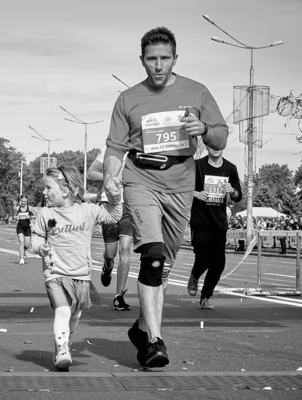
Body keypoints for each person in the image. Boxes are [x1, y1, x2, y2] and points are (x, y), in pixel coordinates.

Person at [102, 27, 228, 368]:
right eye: (151, 59)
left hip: (181, 183)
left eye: (165, 58)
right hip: (140, 178)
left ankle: (142, 328)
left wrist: (204, 129)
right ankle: (155, 343)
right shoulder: (128, 99)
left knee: (165, 266)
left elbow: (221, 137)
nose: (158, 66)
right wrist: (112, 180)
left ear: (175, 59)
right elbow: (114, 147)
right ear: (142, 60)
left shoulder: (197, 92)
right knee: (153, 256)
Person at [31, 165, 122, 371]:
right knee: (62, 311)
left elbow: (113, 216)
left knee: (75, 315)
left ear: (65, 190)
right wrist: (40, 247)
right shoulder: (45, 214)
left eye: (48, 187)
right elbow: (36, 237)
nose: (44, 192)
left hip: (81, 273)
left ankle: (63, 343)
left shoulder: (87, 210)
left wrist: (116, 196)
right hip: (55, 273)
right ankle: (63, 350)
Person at [186, 148, 242, 310]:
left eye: (218, 146)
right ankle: (195, 275)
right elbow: (182, 188)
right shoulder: (197, 166)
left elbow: (238, 196)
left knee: (218, 263)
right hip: (200, 222)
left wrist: (232, 191)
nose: (215, 149)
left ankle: (206, 297)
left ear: (223, 147)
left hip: (219, 224)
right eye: (212, 145)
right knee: (204, 257)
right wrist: (195, 194)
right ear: (207, 146)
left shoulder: (230, 168)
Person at [87, 146, 133, 311]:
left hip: (129, 205)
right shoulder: (108, 150)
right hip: (109, 204)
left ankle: (118, 296)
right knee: (110, 254)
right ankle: (107, 265)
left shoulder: (138, 150)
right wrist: (109, 177)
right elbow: (90, 173)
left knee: (126, 248)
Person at [14, 195, 34, 265]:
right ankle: (21, 259)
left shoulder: (30, 208)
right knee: (21, 242)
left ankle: (25, 250)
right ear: (20, 201)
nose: (23, 203)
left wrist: (30, 216)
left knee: (27, 244)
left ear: (27, 201)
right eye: (22, 201)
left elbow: (36, 215)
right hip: (20, 227)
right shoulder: (17, 208)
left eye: (24, 201)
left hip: (27, 227)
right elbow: (14, 216)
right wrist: (16, 217)